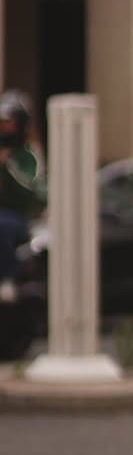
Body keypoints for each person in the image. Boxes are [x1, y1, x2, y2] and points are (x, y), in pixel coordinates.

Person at [0, 90, 46, 303]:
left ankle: (8, 277)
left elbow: (31, 190)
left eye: (10, 122)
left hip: (19, 217)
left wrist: (8, 166)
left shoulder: (29, 156)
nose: (5, 127)